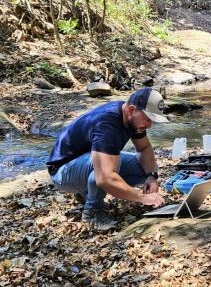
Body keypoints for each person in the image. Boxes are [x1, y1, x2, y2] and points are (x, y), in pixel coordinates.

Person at [47, 87, 168, 229]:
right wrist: (142, 198)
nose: (150, 125)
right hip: (62, 172)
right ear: (131, 110)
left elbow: (144, 148)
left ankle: (87, 192)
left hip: (84, 162)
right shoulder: (107, 125)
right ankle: (92, 214)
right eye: (147, 118)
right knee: (111, 165)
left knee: (148, 166)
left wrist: (151, 177)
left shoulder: (131, 118)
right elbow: (105, 178)